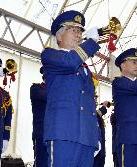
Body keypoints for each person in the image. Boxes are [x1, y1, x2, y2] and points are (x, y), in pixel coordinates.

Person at [41, 10, 101, 166]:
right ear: (59, 36)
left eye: (80, 31)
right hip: (63, 132)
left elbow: (90, 105)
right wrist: (92, 42)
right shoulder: (50, 55)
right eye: (73, 29)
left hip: (86, 138)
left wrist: (95, 136)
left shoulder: (85, 69)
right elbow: (69, 62)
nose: (78, 34)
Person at [30, 67, 49, 167]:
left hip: (57, 135)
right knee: (41, 163)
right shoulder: (36, 88)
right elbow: (46, 96)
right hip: (42, 133)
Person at [93, 100, 109, 167]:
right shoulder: (92, 114)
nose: (96, 102)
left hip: (101, 150)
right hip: (95, 151)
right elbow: (99, 113)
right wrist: (104, 105)